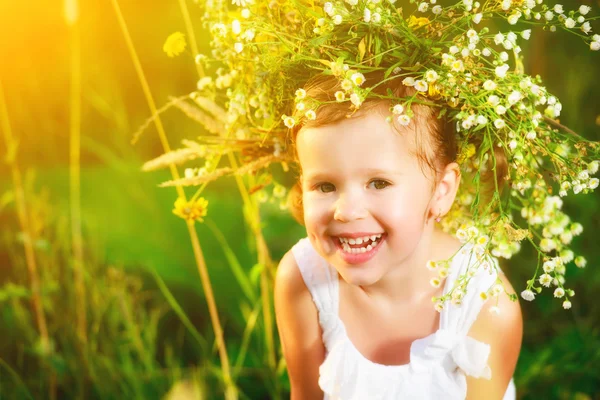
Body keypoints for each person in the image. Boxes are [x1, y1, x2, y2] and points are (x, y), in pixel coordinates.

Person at [274, 76, 522, 399]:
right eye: (324, 186)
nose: (346, 212)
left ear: (441, 191)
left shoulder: (487, 307)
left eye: (378, 183)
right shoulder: (303, 282)